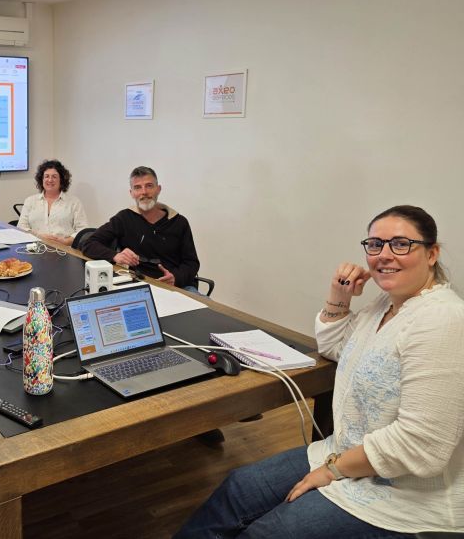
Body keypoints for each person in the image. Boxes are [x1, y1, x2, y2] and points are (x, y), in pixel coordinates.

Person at [173, 205, 464, 538]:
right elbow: (336, 347)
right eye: (375, 244)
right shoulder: (385, 306)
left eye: (400, 244)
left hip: (406, 496)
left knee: (269, 532)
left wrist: (332, 471)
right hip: (344, 452)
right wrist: (339, 294)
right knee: (238, 487)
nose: (384, 255)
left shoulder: (443, 320)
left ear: (432, 253)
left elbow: (421, 445)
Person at [82, 166, 200, 290]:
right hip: (137, 284)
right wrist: (115, 255)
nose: (144, 192)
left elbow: (191, 262)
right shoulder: (124, 218)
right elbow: (89, 244)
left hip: (176, 287)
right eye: (137, 187)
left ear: (158, 189)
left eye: (149, 186)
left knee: (204, 302)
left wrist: (176, 278)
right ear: (131, 193)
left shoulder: (179, 222)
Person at [17, 159, 89, 246]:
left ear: (61, 180)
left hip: (64, 249)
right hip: (35, 248)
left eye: (54, 177)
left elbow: (83, 230)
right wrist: (38, 236)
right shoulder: (30, 201)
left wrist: (67, 241)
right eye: (46, 176)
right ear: (42, 179)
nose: (50, 180)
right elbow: (21, 228)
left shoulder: (74, 202)